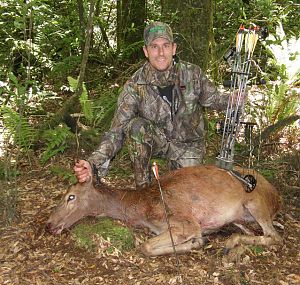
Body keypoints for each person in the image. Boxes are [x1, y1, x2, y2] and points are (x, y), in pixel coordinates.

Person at [75, 21, 232, 188]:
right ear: (146, 51)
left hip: (188, 146)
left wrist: (233, 99)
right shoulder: (134, 85)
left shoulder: (192, 74)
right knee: (135, 127)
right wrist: (92, 163)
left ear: (174, 48)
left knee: (189, 193)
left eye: (165, 45)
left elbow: (214, 99)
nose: (161, 52)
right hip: (158, 142)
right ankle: (145, 190)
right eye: (154, 47)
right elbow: (116, 132)